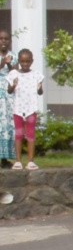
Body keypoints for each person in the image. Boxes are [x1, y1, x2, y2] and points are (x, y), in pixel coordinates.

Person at [8, 47, 42, 168]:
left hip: (31, 108)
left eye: (27, 61)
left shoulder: (36, 75)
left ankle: (31, 161)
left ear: (32, 61)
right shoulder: (13, 74)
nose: (25, 64)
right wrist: (14, 85)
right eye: (23, 61)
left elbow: (40, 92)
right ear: (19, 61)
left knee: (31, 133)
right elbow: (9, 91)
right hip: (18, 108)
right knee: (18, 133)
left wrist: (39, 88)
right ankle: (18, 161)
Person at [0, 26, 14, 166]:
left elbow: (15, 74)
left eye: (6, 39)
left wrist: (9, 65)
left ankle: (4, 159)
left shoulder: (13, 56)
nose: (3, 41)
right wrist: (2, 63)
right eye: (1, 39)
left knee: (6, 126)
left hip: (8, 95)